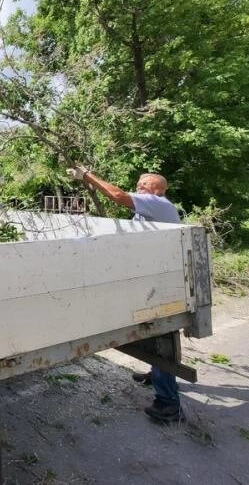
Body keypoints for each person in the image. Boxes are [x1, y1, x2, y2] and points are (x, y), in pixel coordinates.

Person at [67, 165, 185, 423]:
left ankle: (169, 405)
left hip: (163, 282)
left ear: (156, 189)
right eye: (139, 184)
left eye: (143, 185)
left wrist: (87, 175)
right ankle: (157, 376)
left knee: (162, 334)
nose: (138, 187)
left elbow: (118, 196)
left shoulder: (159, 203)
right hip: (153, 279)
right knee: (155, 331)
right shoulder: (149, 210)